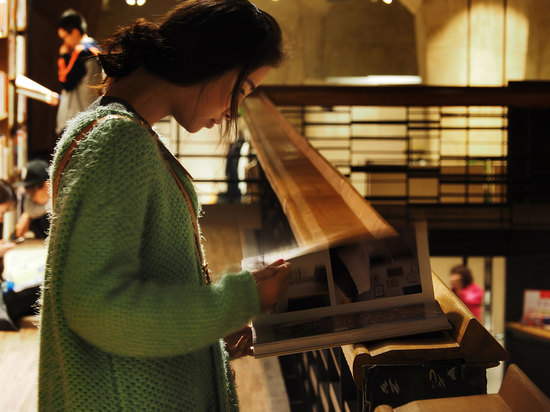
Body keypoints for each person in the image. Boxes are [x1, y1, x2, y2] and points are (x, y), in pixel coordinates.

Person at [39, 1, 290, 410]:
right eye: (241, 90)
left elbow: (124, 302)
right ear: (217, 61)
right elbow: (98, 307)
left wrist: (203, 335)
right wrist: (239, 299)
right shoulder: (119, 142)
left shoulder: (114, 131)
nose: (233, 110)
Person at [56, 9, 102, 135]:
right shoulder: (96, 49)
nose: (65, 42)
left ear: (75, 32)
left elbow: (66, 82)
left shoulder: (81, 51)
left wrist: (63, 56)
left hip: (77, 120)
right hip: (92, 114)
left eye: (65, 37)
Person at [14, 159, 51, 239]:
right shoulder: (31, 208)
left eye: (31, 192)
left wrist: (28, 214)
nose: (31, 197)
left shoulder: (61, 208)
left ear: (47, 186)